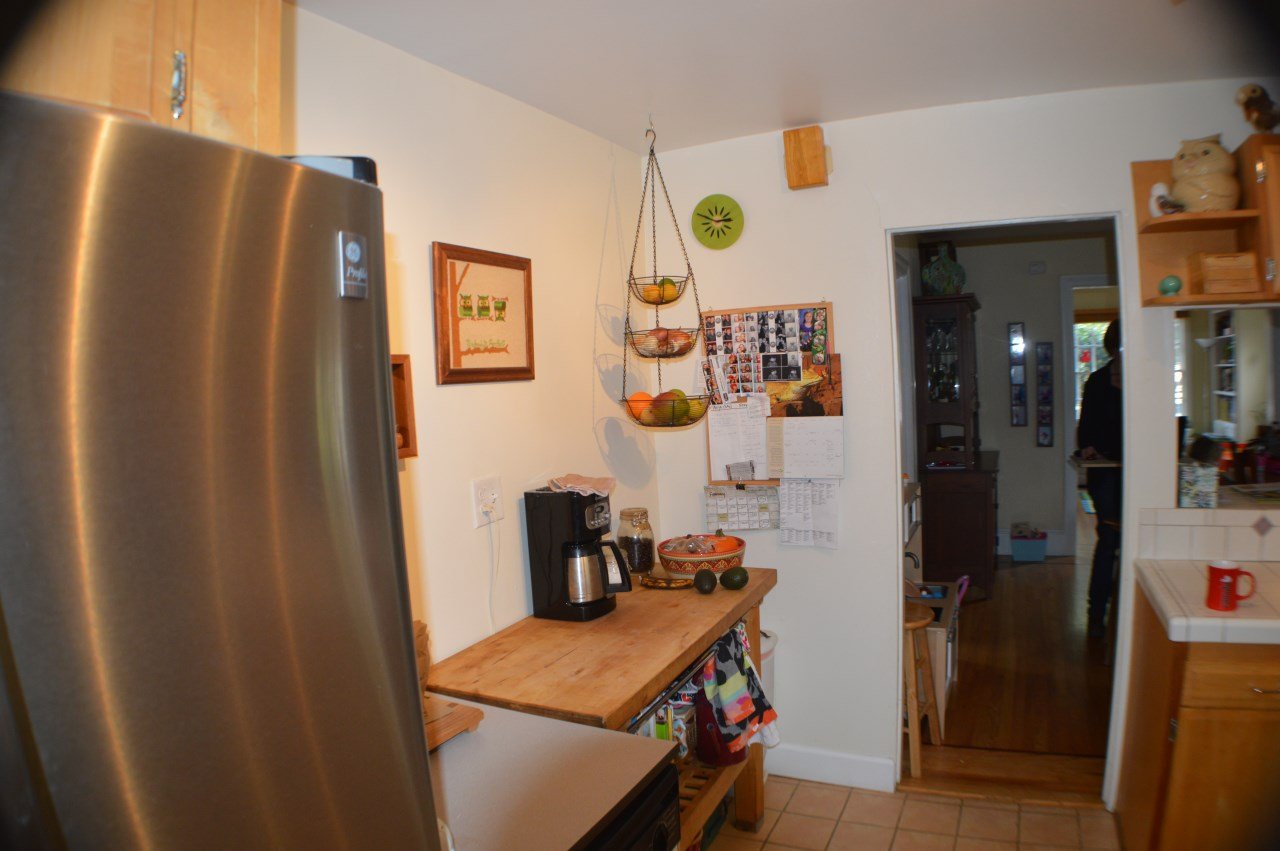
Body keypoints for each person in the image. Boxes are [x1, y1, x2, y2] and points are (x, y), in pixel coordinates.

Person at [1077, 320, 1122, 637]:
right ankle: (1096, 613)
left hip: (1139, 472)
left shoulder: (1145, 382)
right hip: (1105, 475)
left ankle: (1128, 610)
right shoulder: (1096, 382)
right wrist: (1088, 448)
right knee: (1109, 539)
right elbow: (1086, 429)